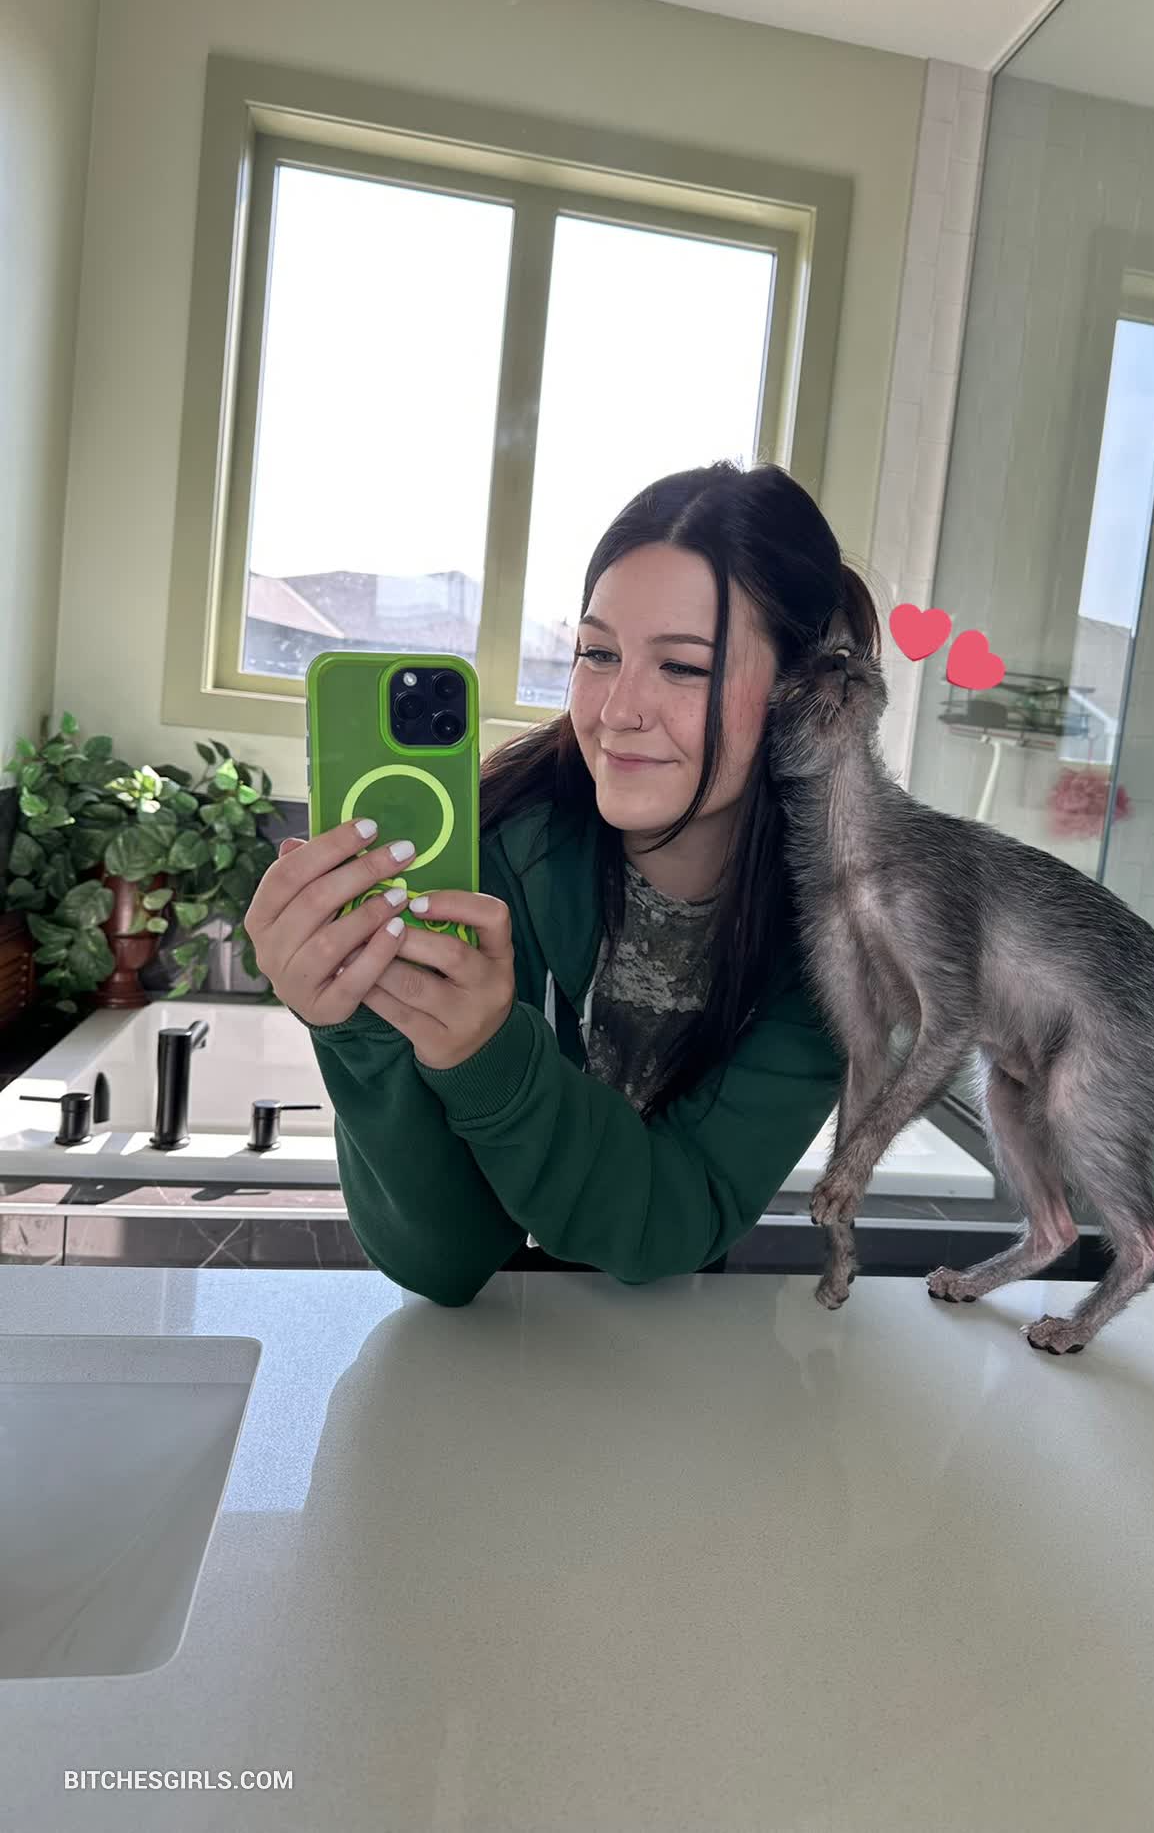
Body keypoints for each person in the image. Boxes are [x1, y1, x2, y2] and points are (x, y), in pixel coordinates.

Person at [246, 460, 882, 1305]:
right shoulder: (485, 862)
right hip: (477, 1351)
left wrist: (489, 1057)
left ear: (803, 699)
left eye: (682, 667)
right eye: (598, 653)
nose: (616, 709)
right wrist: (353, 1029)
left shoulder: (842, 948)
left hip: (671, 1343)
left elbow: (672, 1222)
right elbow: (445, 1261)